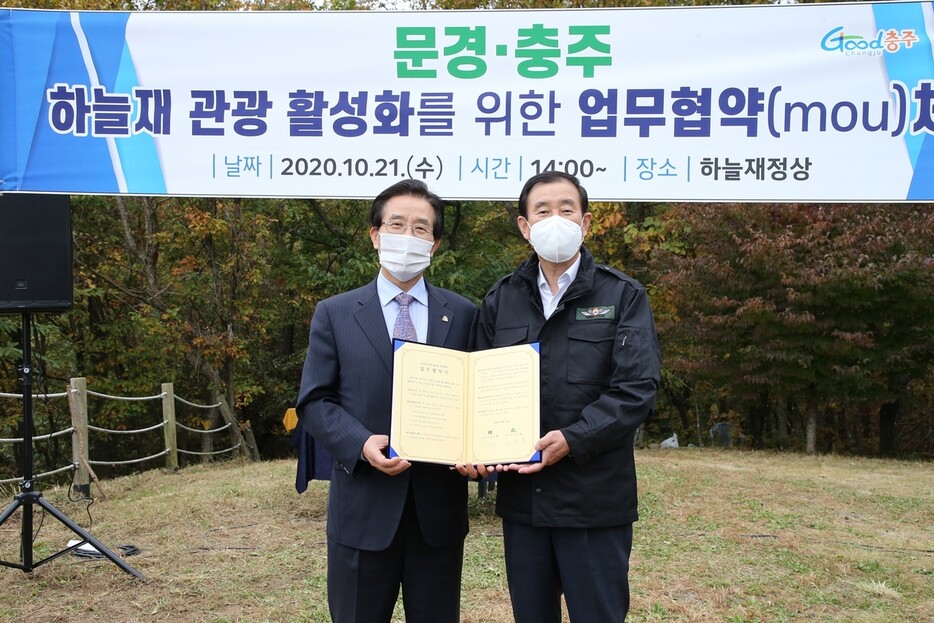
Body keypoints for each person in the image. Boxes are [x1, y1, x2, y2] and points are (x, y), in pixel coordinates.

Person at [476, 171, 661, 623]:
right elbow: (477, 388)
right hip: (525, 502)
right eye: (542, 210)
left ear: (586, 222)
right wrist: (473, 448)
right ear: (524, 226)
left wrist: (574, 439)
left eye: (566, 209)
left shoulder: (623, 295)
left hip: (594, 501)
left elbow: (636, 390)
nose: (554, 219)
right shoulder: (501, 299)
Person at [295, 179, 478, 623]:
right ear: (376, 235)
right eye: (397, 224)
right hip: (362, 508)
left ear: (433, 244)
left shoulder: (464, 313)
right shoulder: (335, 312)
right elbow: (315, 401)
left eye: (421, 228)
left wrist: (481, 451)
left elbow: (479, 396)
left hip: (437, 513)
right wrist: (360, 444)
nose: (408, 236)